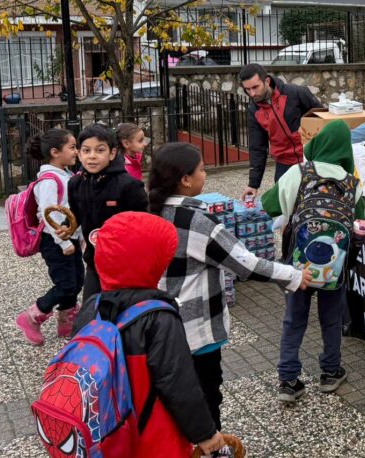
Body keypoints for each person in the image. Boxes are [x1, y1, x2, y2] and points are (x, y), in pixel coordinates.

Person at [150, 142, 310, 429]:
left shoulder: (150, 212)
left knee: (173, 400)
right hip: (195, 327)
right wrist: (294, 276)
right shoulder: (196, 221)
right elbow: (245, 263)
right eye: (201, 170)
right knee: (207, 398)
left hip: (159, 326)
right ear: (185, 180)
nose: (205, 175)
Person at [73, 211, 226, 457]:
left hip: (106, 431)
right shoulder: (158, 317)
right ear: (149, 263)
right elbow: (178, 382)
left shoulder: (91, 306)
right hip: (152, 436)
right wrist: (205, 433)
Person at [261, 120, 365, 403]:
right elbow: (359, 222)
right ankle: (331, 372)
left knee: (294, 319)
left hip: (299, 265)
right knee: (331, 319)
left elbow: (268, 204)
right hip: (335, 266)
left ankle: (289, 379)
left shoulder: (299, 172)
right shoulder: (352, 181)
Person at [15, 128, 83, 346]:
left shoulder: (66, 175)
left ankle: (66, 322)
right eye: (72, 147)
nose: (77, 152)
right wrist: (63, 242)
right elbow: (50, 214)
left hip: (69, 238)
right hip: (55, 241)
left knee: (76, 280)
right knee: (65, 284)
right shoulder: (49, 180)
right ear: (55, 152)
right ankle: (32, 316)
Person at [68, 124, 149, 301]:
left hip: (125, 263)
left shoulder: (128, 185)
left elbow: (146, 224)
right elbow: (74, 216)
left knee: (124, 315)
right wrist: (65, 229)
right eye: (86, 150)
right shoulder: (75, 184)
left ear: (112, 153)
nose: (92, 156)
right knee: (91, 312)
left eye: (100, 150)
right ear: (79, 154)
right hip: (94, 261)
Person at [239, 63, 322, 200]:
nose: (252, 93)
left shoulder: (297, 93)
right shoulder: (254, 110)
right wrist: (253, 184)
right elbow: (257, 148)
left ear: (266, 81)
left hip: (311, 159)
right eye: (247, 89)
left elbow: (323, 119)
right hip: (284, 165)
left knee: (316, 203)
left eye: (255, 87)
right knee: (285, 209)